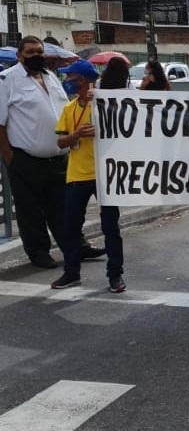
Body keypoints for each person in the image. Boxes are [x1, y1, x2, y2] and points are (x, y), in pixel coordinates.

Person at [0, 36, 104, 268]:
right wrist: (10, 158)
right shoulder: (7, 80)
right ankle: (38, 253)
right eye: (30, 52)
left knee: (65, 208)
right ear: (20, 56)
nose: (37, 56)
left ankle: (77, 246)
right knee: (31, 211)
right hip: (26, 159)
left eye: (40, 51)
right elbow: (0, 124)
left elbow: (65, 109)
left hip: (59, 157)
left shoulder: (52, 78)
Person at [50, 59, 126, 293]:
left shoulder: (107, 105)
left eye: (70, 77)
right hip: (76, 175)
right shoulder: (69, 108)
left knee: (110, 227)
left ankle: (115, 275)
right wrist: (76, 135)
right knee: (71, 227)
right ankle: (71, 273)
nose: (67, 81)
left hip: (105, 176)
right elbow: (60, 141)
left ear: (82, 79)